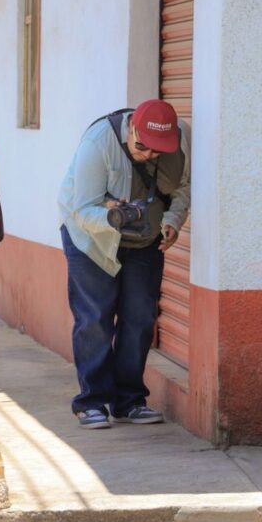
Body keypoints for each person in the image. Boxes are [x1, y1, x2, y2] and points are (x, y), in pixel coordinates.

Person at [58, 99, 189, 429]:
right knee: (95, 318)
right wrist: (116, 217)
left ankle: (129, 400)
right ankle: (92, 401)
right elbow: (81, 209)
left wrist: (173, 219)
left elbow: (184, 187)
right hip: (93, 239)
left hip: (145, 241)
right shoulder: (98, 143)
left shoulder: (180, 139)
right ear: (131, 129)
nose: (148, 155)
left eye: (157, 151)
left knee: (140, 318)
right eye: (142, 146)